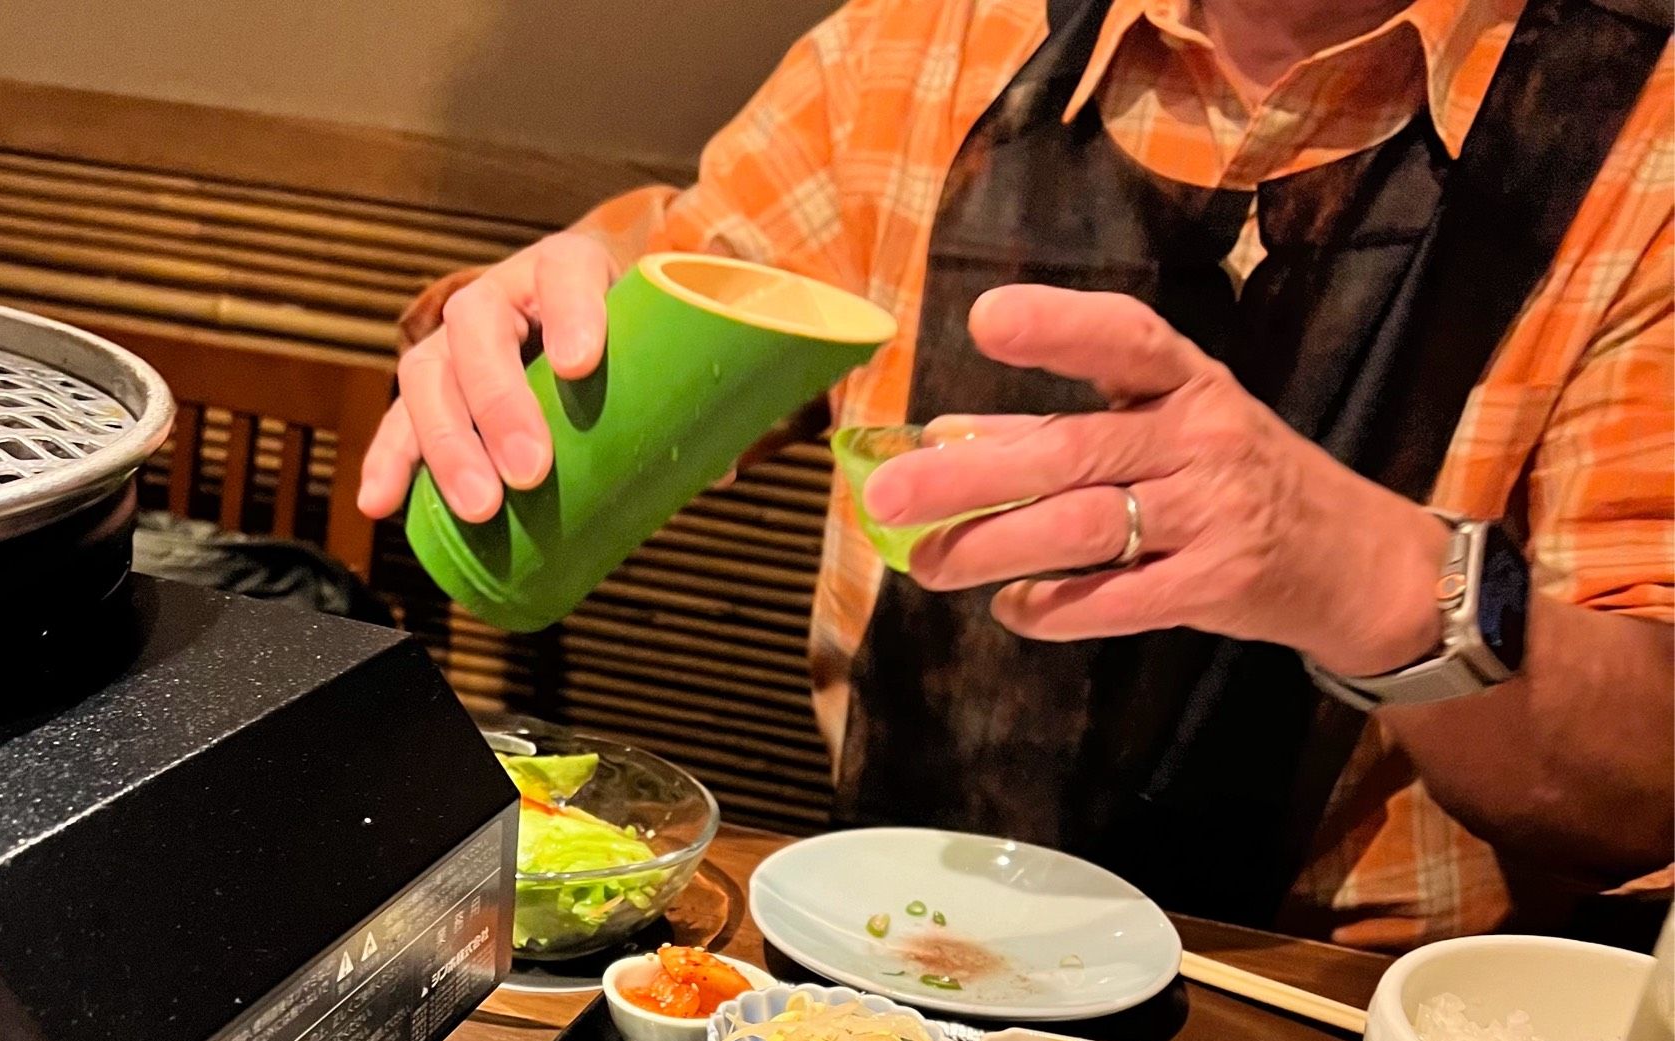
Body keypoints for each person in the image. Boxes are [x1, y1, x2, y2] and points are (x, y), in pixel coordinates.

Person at [359, 0, 1672, 945]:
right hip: (882, 937)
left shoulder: (1639, 142)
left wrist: (1385, 585)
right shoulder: (916, 50)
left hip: (1325, 1012)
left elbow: (1642, 780)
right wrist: (511, 345)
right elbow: (679, 290)